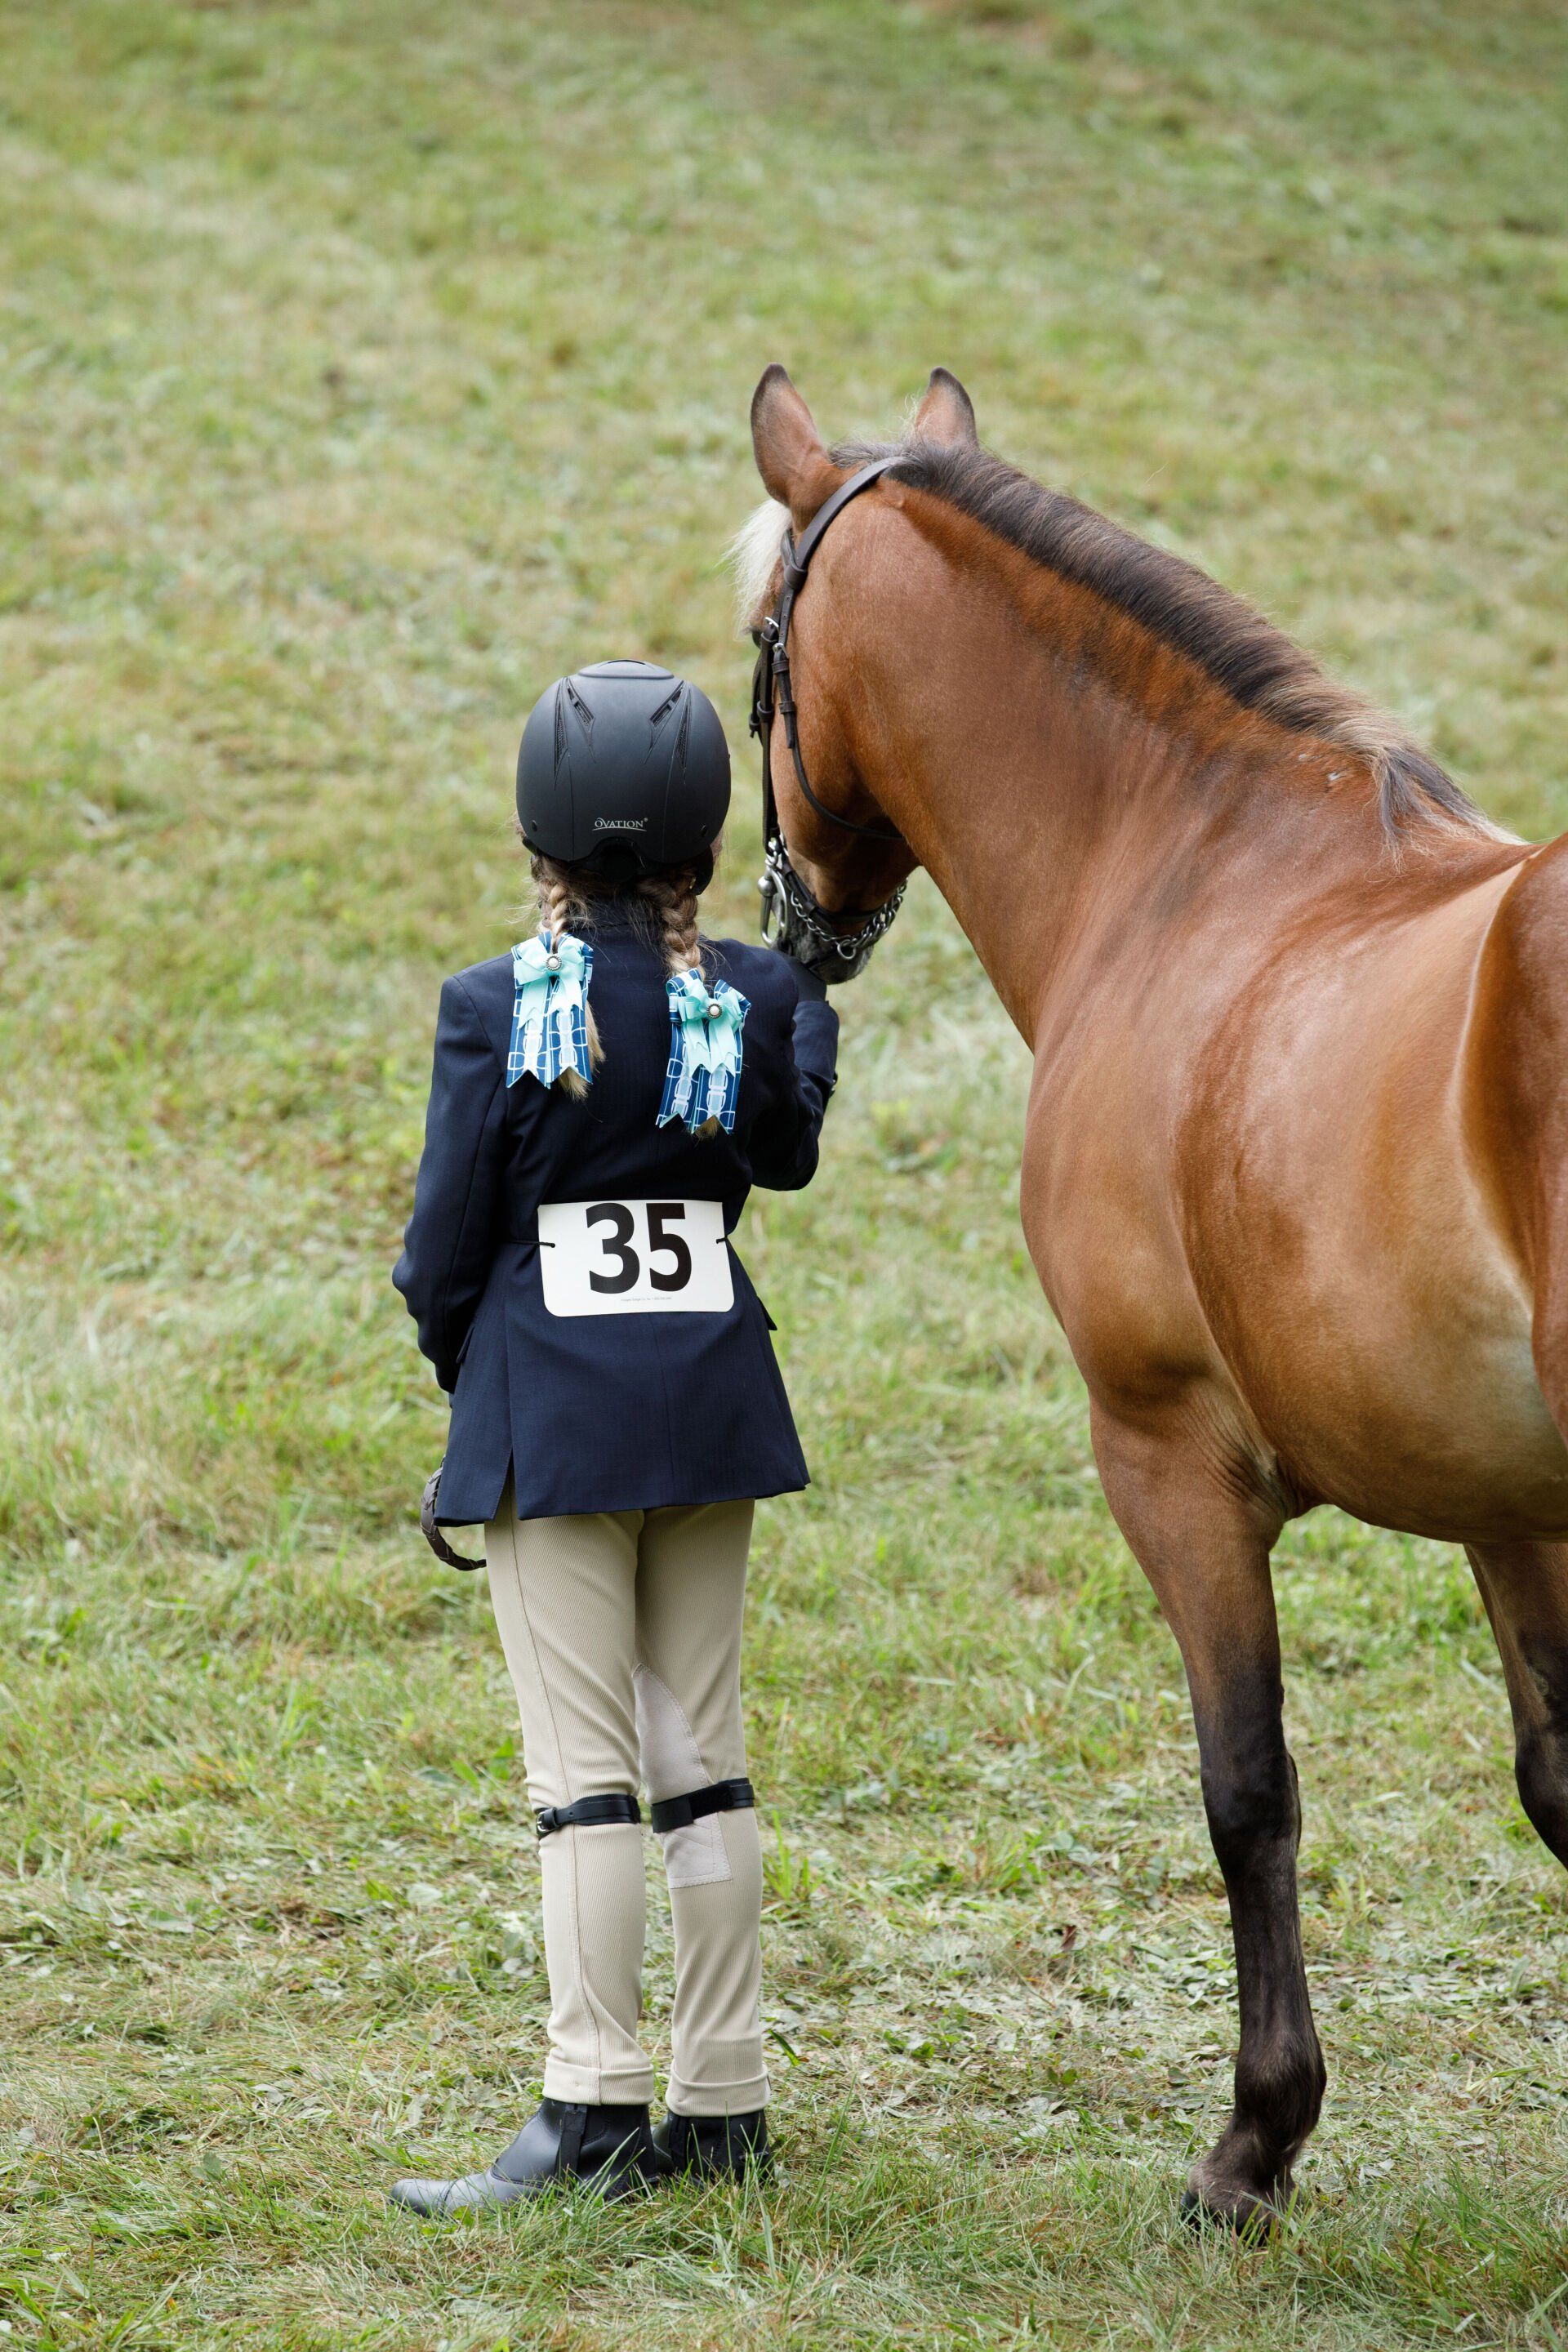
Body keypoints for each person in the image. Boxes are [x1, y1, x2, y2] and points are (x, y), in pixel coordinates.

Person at [387, 660, 840, 2211]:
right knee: (699, 1764)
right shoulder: (759, 998)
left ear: (542, 832)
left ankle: (589, 2109)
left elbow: (442, 1249)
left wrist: (475, 1375)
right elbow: (783, 1155)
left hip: (554, 1424)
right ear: (703, 840)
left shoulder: (495, 1006)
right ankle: (723, 2106)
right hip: (710, 1409)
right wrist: (808, 1009)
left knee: (583, 1780)